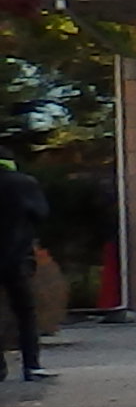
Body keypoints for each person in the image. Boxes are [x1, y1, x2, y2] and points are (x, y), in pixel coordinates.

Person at [0, 146, 48, 383]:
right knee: (25, 312)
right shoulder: (24, 183)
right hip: (16, 256)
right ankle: (31, 365)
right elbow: (41, 214)